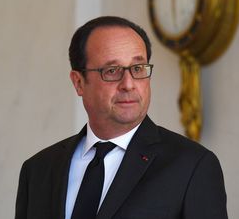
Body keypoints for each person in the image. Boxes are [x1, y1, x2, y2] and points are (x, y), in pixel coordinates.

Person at [15, 16, 228, 219]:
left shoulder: (192, 166)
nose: (128, 83)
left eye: (138, 68)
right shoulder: (37, 170)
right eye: (112, 70)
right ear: (79, 82)